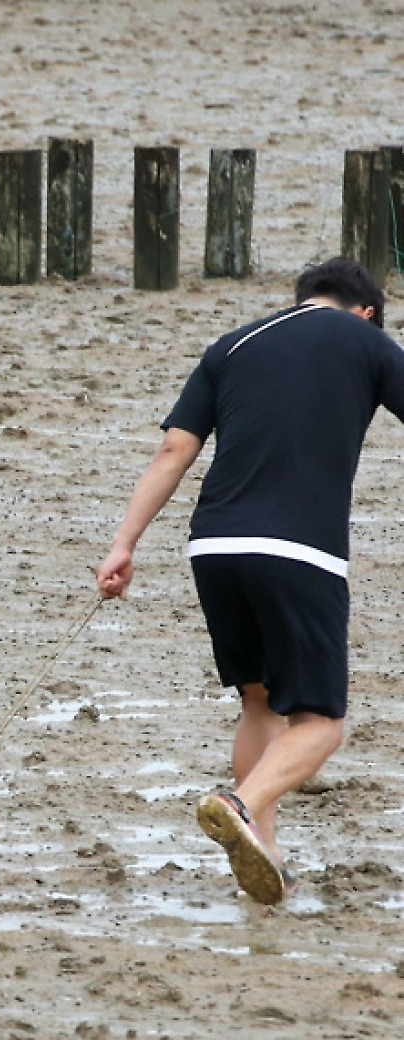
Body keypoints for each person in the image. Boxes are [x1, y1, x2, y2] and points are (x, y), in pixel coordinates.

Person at [95, 257, 404, 906]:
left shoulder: (233, 343)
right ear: (369, 310)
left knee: (260, 700)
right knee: (321, 723)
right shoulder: (368, 341)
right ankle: (239, 803)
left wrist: (123, 544)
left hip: (213, 546)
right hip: (300, 551)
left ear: (300, 300)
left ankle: (264, 857)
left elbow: (173, 450)